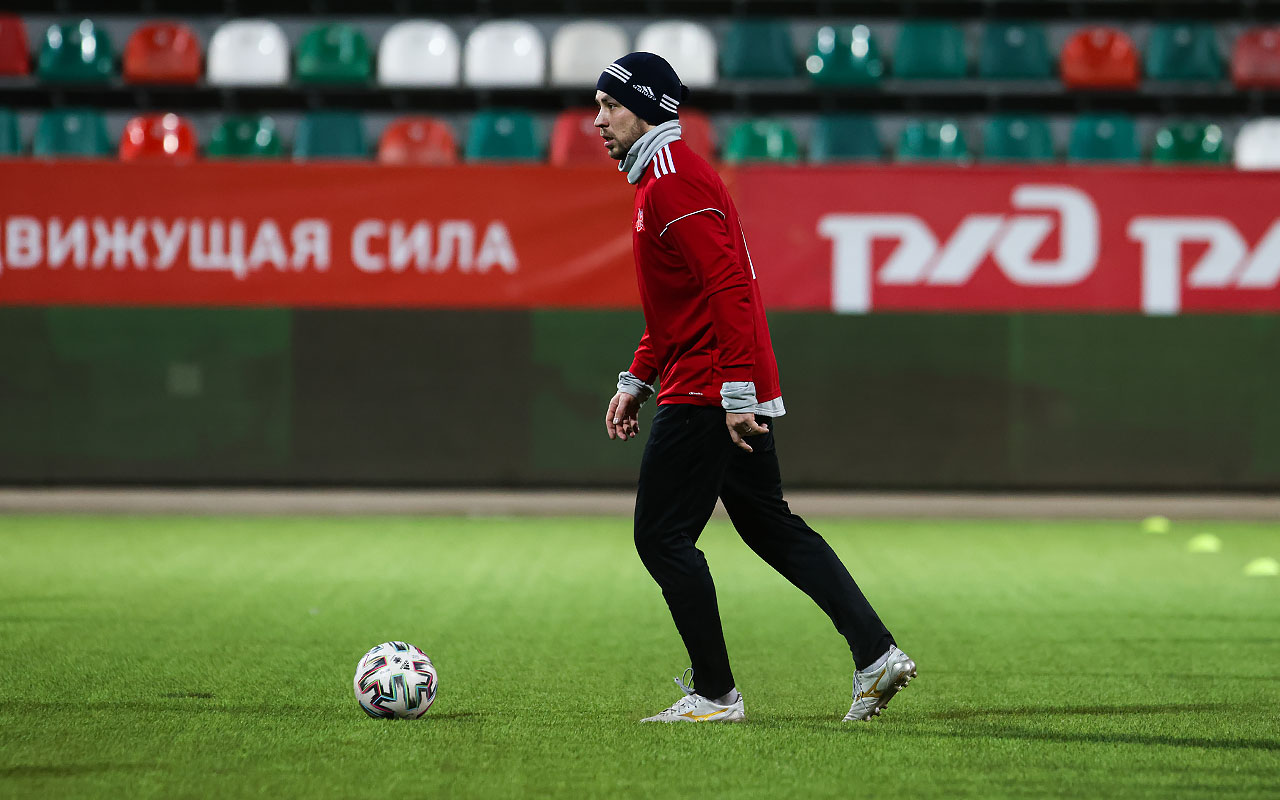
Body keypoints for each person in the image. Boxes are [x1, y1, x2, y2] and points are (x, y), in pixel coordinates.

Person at [595, 52, 916, 724]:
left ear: (646, 107)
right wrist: (637, 377)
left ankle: (715, 694)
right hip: (715, 376)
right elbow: (682, 305)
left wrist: (735, 392)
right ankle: (875, 653)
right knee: (770, 526)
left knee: (661, 537)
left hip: (708, 387)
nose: (598, 120)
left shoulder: (670, 181)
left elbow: (728, 288)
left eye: (610, 105)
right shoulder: (668, 175)